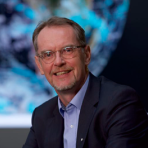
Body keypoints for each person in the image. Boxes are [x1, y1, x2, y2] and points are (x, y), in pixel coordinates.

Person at [23, 16, 148, 148]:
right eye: (48, 54)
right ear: (40, 65)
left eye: (67, 50)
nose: (58, 62)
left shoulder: (120, 103)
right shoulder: (42, 115)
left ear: (87, 54)